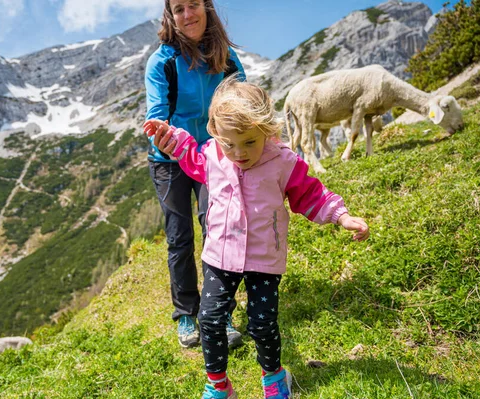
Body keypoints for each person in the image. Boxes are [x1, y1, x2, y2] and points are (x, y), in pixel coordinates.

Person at [143, 77, 369, 399]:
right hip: (220, 256)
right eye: (229, 143)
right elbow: (189, 156)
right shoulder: (212, 156)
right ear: (217, 135)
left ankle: (274, 377)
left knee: (262, 324)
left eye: (249, 142)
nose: (238, 153)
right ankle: (219, 385)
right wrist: (169, 137)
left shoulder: (283, 162)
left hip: (264, 258)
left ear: (267, 130)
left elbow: (310, 194)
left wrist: (341, 216)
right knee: (209, 319)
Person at [145, 0, 246, 349]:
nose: (187, 15)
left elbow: (242, 102)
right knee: (179, 236)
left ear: (207, 8)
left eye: (193, 6)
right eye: (178, 9)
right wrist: (162, 131)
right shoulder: (162, 62)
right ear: (170, 17)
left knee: (217, 230)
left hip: (213, 157)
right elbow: (158, 111)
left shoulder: (227, 58)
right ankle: (186, 313)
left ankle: (220, 310)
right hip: (168, 157)